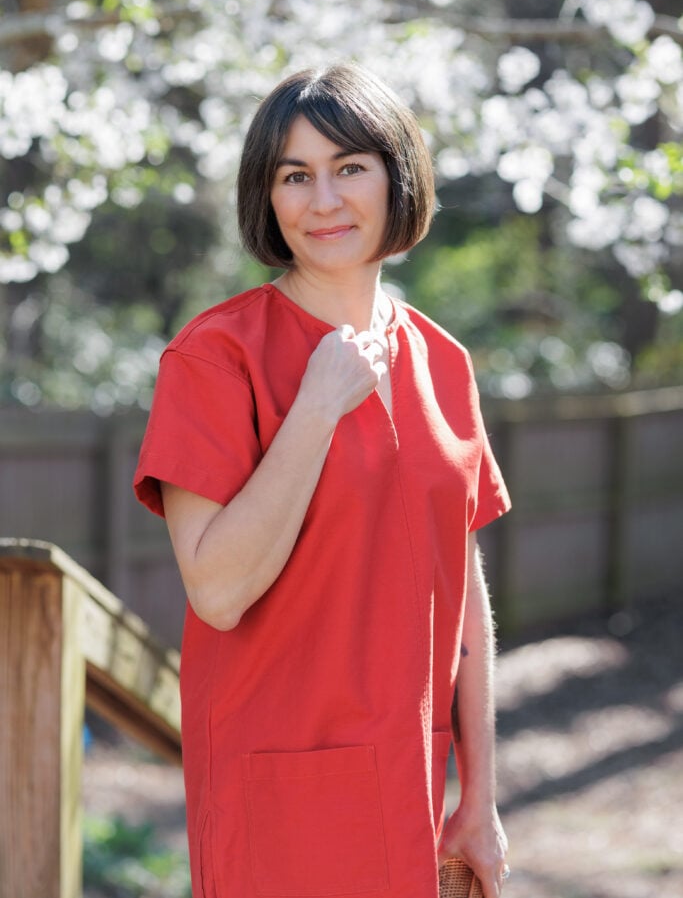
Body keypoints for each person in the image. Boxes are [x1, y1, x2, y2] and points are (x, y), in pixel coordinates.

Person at [134, 62, 511, 898]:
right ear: (267, 198)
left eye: (349, 168)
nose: (323, 200)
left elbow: (466, 593)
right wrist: (315, 408)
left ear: (395, 178)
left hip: (416, 786)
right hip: (278, 794)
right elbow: (218, 589)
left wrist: (480, 797)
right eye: (294, 176)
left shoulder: (441, 360)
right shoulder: (214, 358)